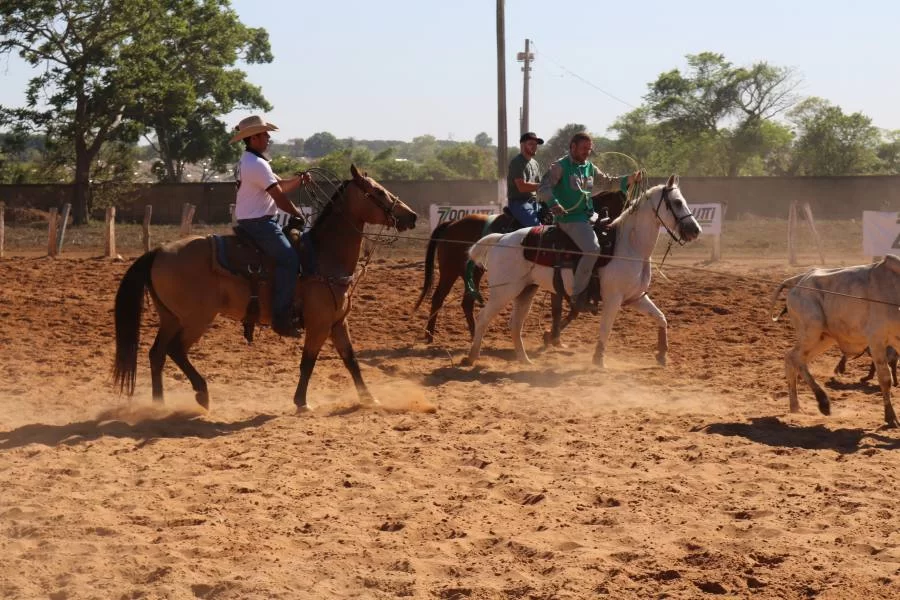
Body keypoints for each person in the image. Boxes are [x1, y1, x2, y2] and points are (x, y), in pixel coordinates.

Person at [538, 132, 641, 311]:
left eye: (589, 148)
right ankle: (577, 295)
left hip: (588, 215)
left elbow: (608, 183)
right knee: (592, 249)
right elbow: (543, 188)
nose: (587, 152)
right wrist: (554, 204)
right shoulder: (559, 167)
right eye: (584, 148)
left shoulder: (589, 167)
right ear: (573, 147)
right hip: (569, 218)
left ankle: (601, 285)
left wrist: (630, 178)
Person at [230, 115, 311, 337]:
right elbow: (278, 197)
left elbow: (280, 186)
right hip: (259, 222)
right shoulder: (256, 164)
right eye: (264, 134)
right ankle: (281, 316)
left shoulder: (251, 161)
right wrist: (297, 215)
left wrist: (299, 180)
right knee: (289, 259)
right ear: (253, 137)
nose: (268, 137)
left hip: (253, 219)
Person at [506, 131, 545, 227]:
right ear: (522, 145)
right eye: (531, 144)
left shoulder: (535, 163)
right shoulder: (517, 162)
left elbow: (540, 186)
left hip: (534, 202)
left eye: (536, 144)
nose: (534, 146)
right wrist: (544, 185)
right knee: (536, 227)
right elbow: (522, 187)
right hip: (519, 203)